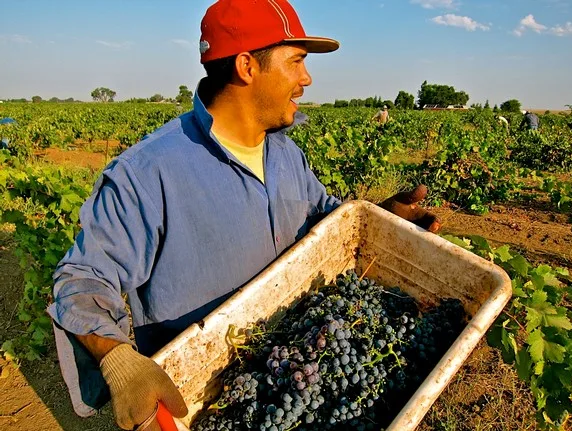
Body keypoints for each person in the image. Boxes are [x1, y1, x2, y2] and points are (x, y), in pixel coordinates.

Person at [46, 1, 441, 430]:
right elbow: (82, 280)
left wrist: (381, 219)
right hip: (210, 399)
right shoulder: (145, 175)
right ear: (247, 66)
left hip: (294, 366)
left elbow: (326, 225)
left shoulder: (287, 155)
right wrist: (120, 361)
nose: (306, 79)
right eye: (297, 62)